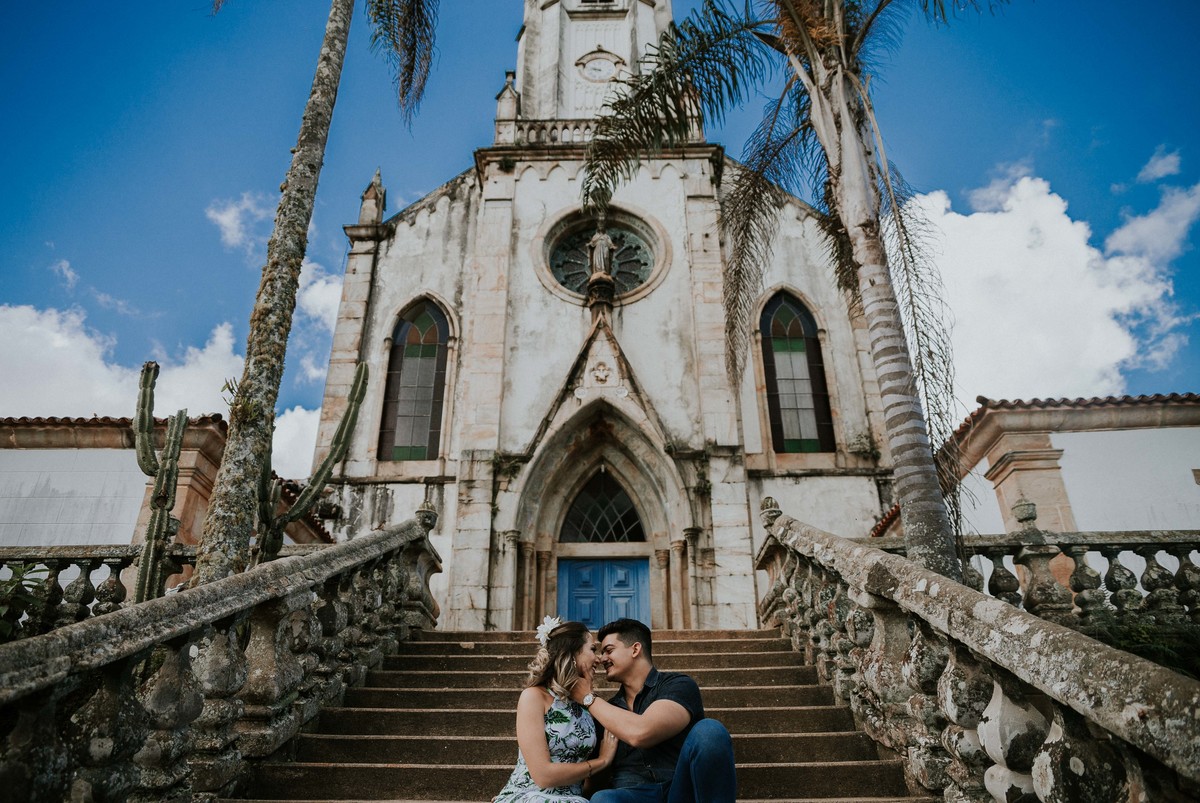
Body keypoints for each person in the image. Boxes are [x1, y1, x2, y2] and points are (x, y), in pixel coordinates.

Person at [570, 618, 736, 803]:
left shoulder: (678, 685)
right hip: (631, 795)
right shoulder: (605, 710)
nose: (601, 659)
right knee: (603, 799)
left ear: (635, 649)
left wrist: (587, 697)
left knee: (710, 731)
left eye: (609, 650)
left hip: (680, 791)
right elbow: (592, 785)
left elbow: (643, 732)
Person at [493, 618, 620, 802]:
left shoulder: (590, 705)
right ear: (572, 653)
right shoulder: (534, 697)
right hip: (530, 796)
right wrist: (602, 761)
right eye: (592, 649)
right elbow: (543, 775)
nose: (599, 659)